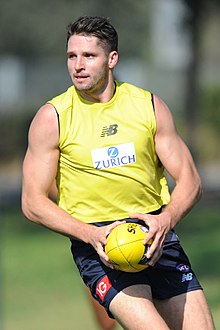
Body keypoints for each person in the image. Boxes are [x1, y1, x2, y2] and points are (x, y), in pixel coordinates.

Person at [22, 15, 215, 329]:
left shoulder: (148, 106)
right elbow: (32, 202)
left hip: (157, 235)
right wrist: (91, 234)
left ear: (112, 59)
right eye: (72, 56)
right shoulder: (52, 117)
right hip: (99, 245)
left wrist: (166, 220)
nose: (78, 65)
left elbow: (191, 180)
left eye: (89, 56)